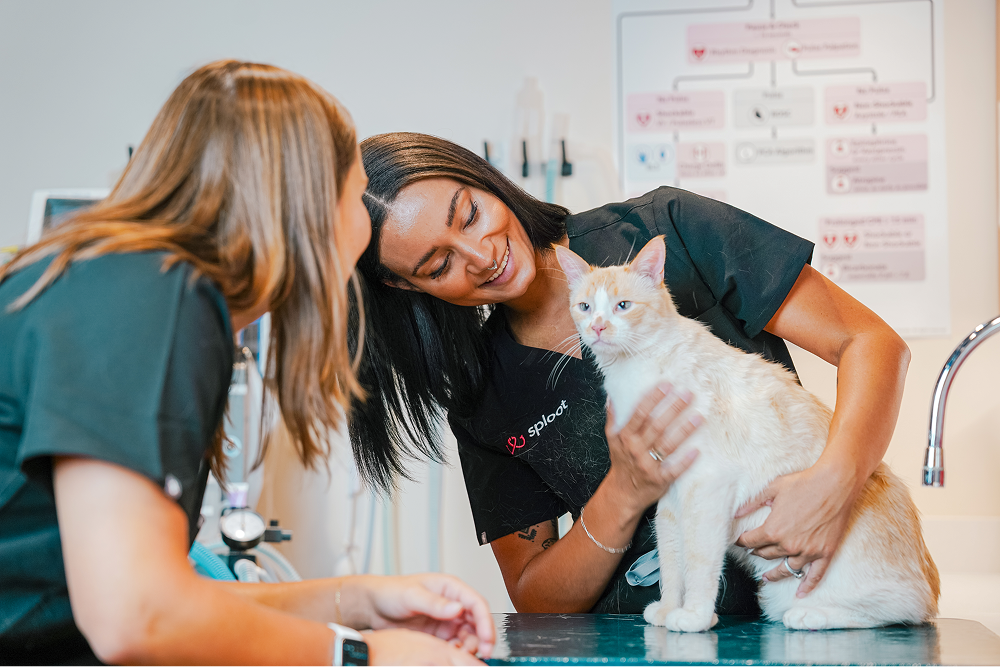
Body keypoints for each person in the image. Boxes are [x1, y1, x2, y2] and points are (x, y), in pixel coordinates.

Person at [0, 63, 494, 667]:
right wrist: (362, 656)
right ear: (313, 202)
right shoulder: (151, 296)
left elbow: (168, 600)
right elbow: (136, 617)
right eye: (356, 189)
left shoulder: (124, 282)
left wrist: (357, 601)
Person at [348, 132, 910, 615]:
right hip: (639, 641)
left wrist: (832, 485)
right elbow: (534, 596)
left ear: (483, 178)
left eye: (469, 214)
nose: (480, 254)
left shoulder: (669, 230)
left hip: (809, 611)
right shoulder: (483, 392)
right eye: (439, 264)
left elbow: (870, 342)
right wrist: (626, 489)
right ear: (407, 285)